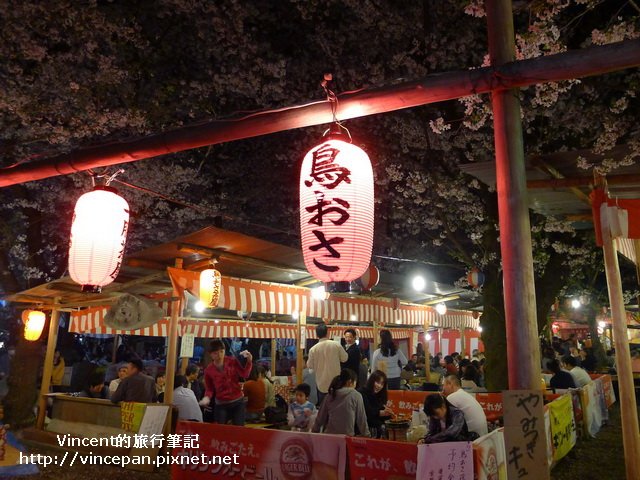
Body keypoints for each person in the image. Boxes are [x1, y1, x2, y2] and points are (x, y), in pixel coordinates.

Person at [200, 339, 252, 426]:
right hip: (221, 404)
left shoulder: (232, 361)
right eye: (216, 353)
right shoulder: (208, 370)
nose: (220, 355)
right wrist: (207, 398)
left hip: (238, 401)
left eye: (221, 351)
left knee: (239, 430)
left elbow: (245, 374)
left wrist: (249, 361)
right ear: (211, 354)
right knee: (221, 430)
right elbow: (209, 389)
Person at [312, 369, 369, 437]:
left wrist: (314, 432)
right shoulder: (356, 395)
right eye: (355, 383)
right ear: (350, 382)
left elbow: (320, 418)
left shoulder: (330, 395)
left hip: (329, 436)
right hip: (347, 438)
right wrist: (367, 435)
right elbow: (361, 419)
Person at [307, 324, 348, 405]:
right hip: (336, 383)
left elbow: (310, 365)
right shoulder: (336, 345)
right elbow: (345, 358)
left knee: (323, 409)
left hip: (321, 384)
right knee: (336, 408)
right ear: (327, 333)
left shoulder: (313, 349)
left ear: (317, 334)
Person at [358, 370, 393, 438]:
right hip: (365, 429)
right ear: (371, 381)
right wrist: (381, 413)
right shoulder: (362, 393)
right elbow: (367, 413)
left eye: (382, 384)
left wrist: (388, 413)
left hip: (377, 427)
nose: (379, 386)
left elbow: (380, 410)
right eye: (377, 382)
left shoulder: (379, 395)